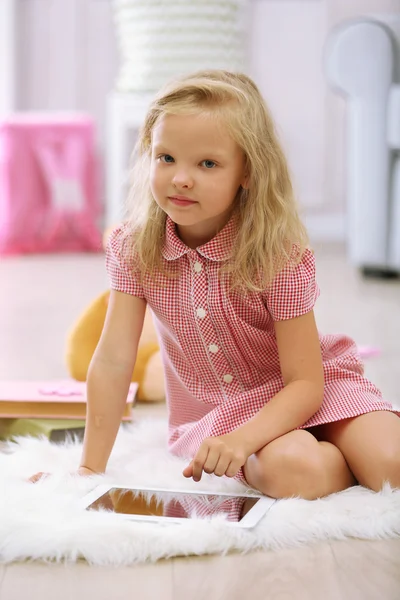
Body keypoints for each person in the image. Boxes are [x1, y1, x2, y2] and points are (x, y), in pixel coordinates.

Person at [31, 70, 400, 499]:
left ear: (247, 171)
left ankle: (349, 446)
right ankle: (333, 460)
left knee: (391, 463)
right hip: (219, 417)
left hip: (306, 393)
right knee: (294, 469)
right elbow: (114, 361)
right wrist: (89, 469)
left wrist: (247, 442)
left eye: (207, 164)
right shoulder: (133, 248)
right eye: (166, 158)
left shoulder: (276, 253)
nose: (181, 178)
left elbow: (306, 383)